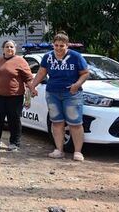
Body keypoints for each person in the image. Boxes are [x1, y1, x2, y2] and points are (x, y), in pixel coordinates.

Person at [31, 32, 89, 161]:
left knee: (75, 123)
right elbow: (41, 72)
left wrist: (77, 84)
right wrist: (33, 86)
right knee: (56, 122)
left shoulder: (76, 56)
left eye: (61, 46)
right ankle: (59, 150)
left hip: (72, 94)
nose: (58, 48)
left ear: (67, 45)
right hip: (52, 93)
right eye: (56, 45)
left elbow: (85, 73)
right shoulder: (47, 57)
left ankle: (78, 152)